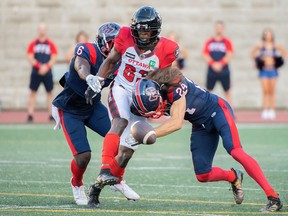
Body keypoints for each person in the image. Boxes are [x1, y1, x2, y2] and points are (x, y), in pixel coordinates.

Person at [130, 67, 282, 212]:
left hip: (217, 110)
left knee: (235, 151)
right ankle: (233, 176)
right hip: (201, 125)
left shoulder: (173, 87)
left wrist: (150, 134)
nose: (154, 111)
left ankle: (273, 197)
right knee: (203, 174)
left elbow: (176, 123)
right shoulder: (154, 88)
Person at [86, 6, 179, 208]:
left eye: (145, 31)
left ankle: (97, 188)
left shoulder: (167, 49)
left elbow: (165, 78)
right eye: (138, 31)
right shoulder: (125, 36)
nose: (141, 35)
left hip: (140, 98)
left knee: (127, 152)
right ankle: (104, 169)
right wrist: (98, 82)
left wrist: (162, 101)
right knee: (119, 122)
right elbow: (110, 61)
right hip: (121, 88)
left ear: (155, 31)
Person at [52, 22, 121, 206]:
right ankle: (76, 183)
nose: (116, 47)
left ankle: (116, 177)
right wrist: (88, 76)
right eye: (113, 43)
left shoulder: (118, 61)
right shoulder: (87, 49)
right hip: (70, 109)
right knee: (83, 157)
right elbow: (80, 64)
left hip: (92, 107)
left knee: (118, 138)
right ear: (103, 42)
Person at [251, 28, 286, 120]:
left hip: (273, 71)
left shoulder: (275, 45)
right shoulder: (261, 45)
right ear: (264, 36)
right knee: (265, 91)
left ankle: (272, 110)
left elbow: (284, 52)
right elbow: (252, 53)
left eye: (270, 34)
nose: (268, 36)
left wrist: (278, 61)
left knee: (272, 91)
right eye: (267, 34)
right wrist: (259, 59)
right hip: (264, 71)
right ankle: (265, 110)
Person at [26, 23, 58, 122]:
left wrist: (46, 66)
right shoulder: (33, 43)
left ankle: (51, 114)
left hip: (47, 72)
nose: (42, 31)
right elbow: (30, 56)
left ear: (46, 30)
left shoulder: (50, 44)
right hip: (36, 71)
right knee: (33, 92)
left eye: (43, 29)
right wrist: (39, 66)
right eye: (40, 29)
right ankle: (30, 114)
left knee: (49, 93)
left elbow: (54, 57)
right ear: (38, 30)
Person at [202, 20, 233, 105]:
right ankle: (206, 112)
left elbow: (230, 54)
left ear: (223, 29)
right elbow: (205, 54)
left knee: (227, 91)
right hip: (211, 70)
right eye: (217, 27)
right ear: (215, 28)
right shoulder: (209, 41)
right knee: (208, 91)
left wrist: (221, 64)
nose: (219, 29)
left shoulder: (227, 41)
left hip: (224, 70)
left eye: (220, 27)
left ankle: (230, 113)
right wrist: (213, 64)